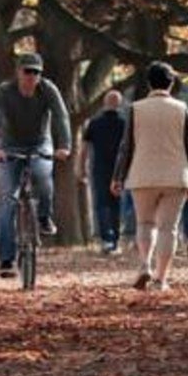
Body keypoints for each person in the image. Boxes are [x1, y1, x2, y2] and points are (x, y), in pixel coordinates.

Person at [110, 62, 188, 291]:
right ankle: (161, 279)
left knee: (145, 223)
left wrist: (118, 176)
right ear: (171, 83)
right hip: (175, 176)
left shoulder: (136, 108)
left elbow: (127, 146)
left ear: (149, 83)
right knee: (168, 228)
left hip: (142, 175)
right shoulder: (181, 109)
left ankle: (144, 265)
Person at [0, 52, 73, 278]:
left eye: (36, 72)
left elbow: (61, 117)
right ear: (18, 72)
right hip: (10, 146)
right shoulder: (4, 92)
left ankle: (43, 216)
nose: (32, 76)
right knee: (7, 202)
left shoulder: (48, 89)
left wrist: (65, 146)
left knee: (43, 177)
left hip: (40, 143)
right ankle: (6, 259)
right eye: (28, 72)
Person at [78, 91, 126, 255]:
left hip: (99, 168)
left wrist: (81, 168)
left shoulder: (94, 123)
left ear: (104, 103)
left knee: (101, 204)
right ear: (119, 104)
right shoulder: (124, 124)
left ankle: (106, 238)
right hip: (119, 170)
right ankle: (116, 239)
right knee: (116, 204)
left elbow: (84, 148)